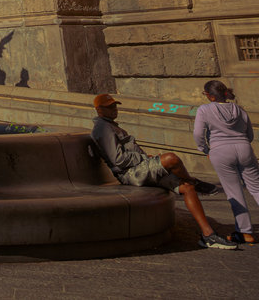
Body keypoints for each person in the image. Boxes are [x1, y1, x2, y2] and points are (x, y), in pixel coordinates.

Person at [92, 93, 234, 249]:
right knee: (171, 159)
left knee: (187, 188)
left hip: (139, 169)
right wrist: (144, 159)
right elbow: (118, 160)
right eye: (109, 107)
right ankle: (195, 181)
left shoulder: (110, 125)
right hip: (131, 174)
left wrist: (146, 158)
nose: (114, 109)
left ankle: (208, 235)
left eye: (115, 105)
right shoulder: (102, 128)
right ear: (99, 110)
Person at [194, 79, 259, 245]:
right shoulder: (239, 109)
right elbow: (250, 134)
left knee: (234, 192)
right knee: (257, 187)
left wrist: (205, 150)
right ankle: (244, 233)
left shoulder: (204, 109)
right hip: (244, 148)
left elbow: (198, 134)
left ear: (210, 96)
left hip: (220, 150)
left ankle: (245, 232)